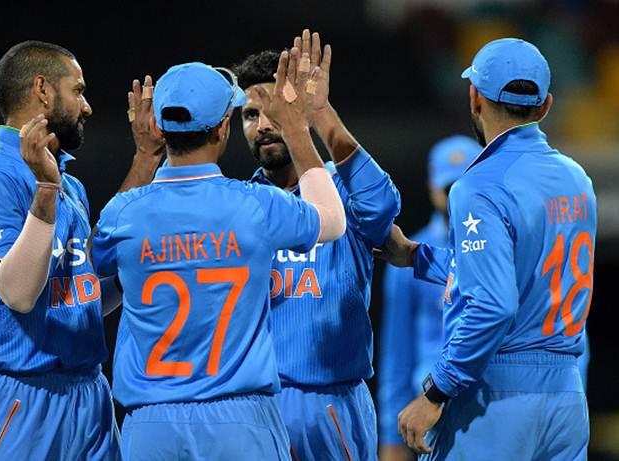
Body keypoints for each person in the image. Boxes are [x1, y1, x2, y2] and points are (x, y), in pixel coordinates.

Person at [91, 50, 346, 460]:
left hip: (151, 425)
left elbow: (92, 261)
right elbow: (332, 221)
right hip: (240, 422)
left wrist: (143, 157)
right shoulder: (256, 205)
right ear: (223, 128)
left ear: (157, 125)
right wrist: (298, 129)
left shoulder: (126, 212)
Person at [379, 38, 596, 460]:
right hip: (567, 397)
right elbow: (518, 272)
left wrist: (436, 391)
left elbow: (494, 303)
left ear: (474, 97)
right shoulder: (578, 179)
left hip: (495, 396)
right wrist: (418, 256)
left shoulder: (479, 185)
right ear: (546, 104)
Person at [0, 40, 162, 461]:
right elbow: (17, 292)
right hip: (22, 398)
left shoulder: (70, 185)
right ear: (43, 90)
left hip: (88, 395)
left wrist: (146, 159)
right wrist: (45, 191)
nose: (86, 107)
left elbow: (81, 292)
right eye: (78, 90)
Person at [233, 30, 401, 460]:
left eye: (277, 112)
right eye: (251, 115)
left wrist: (319, 114)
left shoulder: (344, 191)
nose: (264, 125)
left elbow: (382, 206)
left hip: (331, 404)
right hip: (254, 405)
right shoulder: (239, 204)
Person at [378, 135, 479, 461]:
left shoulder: (500, 251)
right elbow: (396, 353)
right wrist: (390, 434)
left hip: (484, 402)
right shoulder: (409, 259)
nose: (455, 196)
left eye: (463, 184)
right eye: (448, 188)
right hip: (429, 405)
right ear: (433, 188)